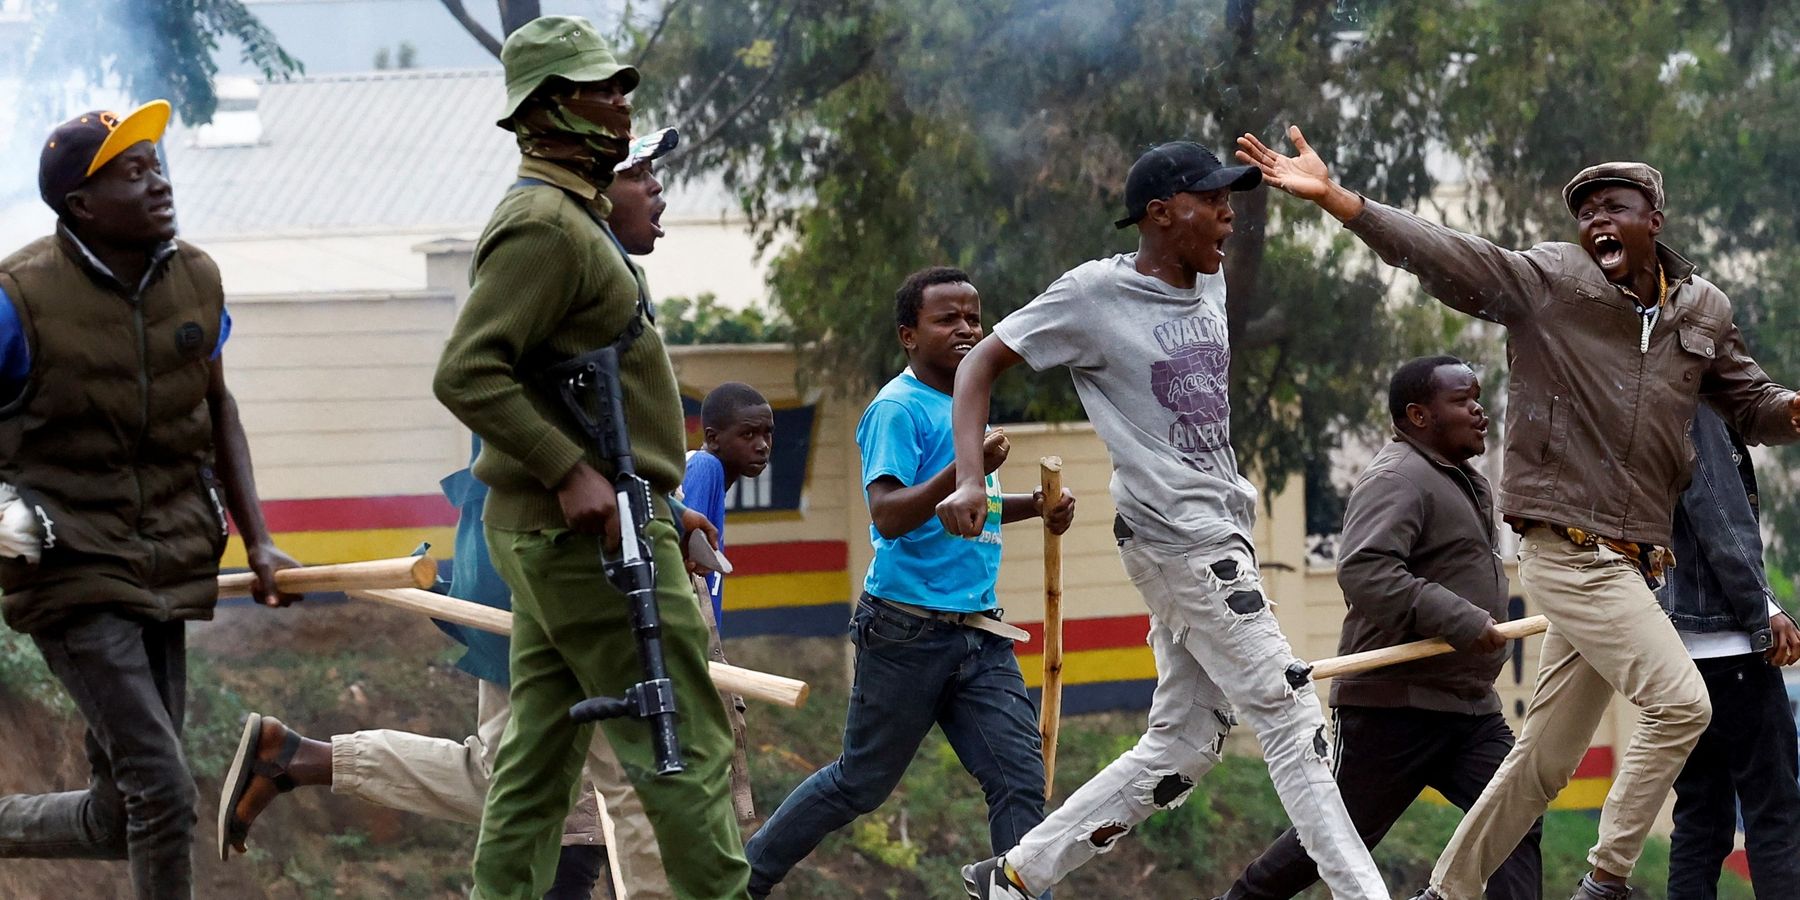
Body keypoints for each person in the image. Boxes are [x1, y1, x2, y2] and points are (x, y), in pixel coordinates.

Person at [1234, 126, 1800, 900]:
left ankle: (1446, 893)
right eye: (1587, 211)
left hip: (1637, 563)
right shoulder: (1551, 284)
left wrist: (1790, 410)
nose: (1598, 221)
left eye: (1616, 207)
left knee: (1541, 762)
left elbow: (1750, 401)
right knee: (1678, 705)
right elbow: (1441, 255)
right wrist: (1340, 201)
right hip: (1567, 550)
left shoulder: (1700, 311)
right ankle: (1606, 879)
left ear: (1653, 222)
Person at [216, 123, 691, 900]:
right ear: (597, 186)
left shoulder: (597, 278)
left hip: (534, 555)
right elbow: (485, 390)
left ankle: (299, 757)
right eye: (642, 173)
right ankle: (302, 758)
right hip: (553, 555)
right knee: (634, 778)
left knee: (516, 772)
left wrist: (668, 508)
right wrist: (583, 481)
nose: (658, 188)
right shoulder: (551, 260)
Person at [937, 142, 1389, 900]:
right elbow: (979, 362)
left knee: (1185, 744)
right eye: (1211, 201)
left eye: (1230, 200)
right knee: (1288, 710)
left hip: (1221, 529)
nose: (1228, 215)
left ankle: (1014, 877)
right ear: (1159, 214)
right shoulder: (1091, 296)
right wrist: (972, 477)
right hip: (1180, 540)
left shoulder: (1205, 282)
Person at [432, 16, 750, 899]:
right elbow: (466, 371)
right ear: (546, 110)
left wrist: (653, 494)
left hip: (589, 527)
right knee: (683, 736)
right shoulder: (544, 226)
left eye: (620, 87)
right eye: (600, 89)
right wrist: (571, 471)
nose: (621, 103)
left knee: (536, 760)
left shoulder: (572, 218)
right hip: (586, 539)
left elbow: (572, 382)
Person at [0, 101, 300, 900]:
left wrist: (259, 539)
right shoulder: (17, 299)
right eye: (131, 172)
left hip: (167, 555)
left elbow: (218, 410)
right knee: (163, 789)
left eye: (157, 165)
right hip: (67, 566)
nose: (158, 182)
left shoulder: (196, 278)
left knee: (119, 809)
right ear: (82, 207)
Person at [746, 266, 1075, 899]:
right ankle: (742, 880)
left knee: (1018, 779)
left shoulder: (968, 401)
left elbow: (971, 510)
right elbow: (891, 516)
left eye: (973, 318)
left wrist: (1038, 505)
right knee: (860, 783)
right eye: (946, 319)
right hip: (906, 629)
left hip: (979, 632)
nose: (965, 329)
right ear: (908, 334)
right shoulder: (896, 409)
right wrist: (965, 467)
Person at [1221, 356, 1542, 900]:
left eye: (1478, 398)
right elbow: (1366, 570)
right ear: (1419, 415)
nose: (1480, 412)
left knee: (1514, 818)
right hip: (1394, 706)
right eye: (1463, 401)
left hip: (1467, 706)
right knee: (1330, 842)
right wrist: (1460, 618)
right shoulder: (1398, 477)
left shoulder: (1460, 477)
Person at [1660, 404, 1800, 900]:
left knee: (1699, 817)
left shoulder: (1641, 400)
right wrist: (1763, 606)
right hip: (1730, 642)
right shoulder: (1696, 411)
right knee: (1775, 812)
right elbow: (1719, 515)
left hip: (1673, 651)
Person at [681, 380, 772, 823]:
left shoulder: (714, 479)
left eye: (767, 434)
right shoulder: (705, 468)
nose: (762, 445)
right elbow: (689, 557)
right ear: (713, 437)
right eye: (748, 434)